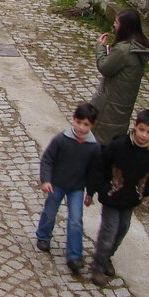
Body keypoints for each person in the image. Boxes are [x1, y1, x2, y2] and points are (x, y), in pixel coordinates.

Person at [89, 109, 149, 286]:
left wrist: (144, 192)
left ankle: (107, 257)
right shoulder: (119, 145)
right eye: (142, 130)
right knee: (109, 231)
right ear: (135, 127)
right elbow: (100, 165)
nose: (144, 135)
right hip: (112, 197)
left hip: (130, 199)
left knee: (122, 228)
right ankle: (98, 266)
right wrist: (102, 188)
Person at [35, 102, 102, 275]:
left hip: (77, 188)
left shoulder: (93, 147)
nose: (80, 127)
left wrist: (91, 192)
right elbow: (47, 159)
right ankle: (43, 236)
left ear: (92, 125)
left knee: (75, 220)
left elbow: (94, 171)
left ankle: (74, 256)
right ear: (73, 120)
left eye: (85, 124)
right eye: (78, 122)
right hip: (57, 183)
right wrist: (46, 180)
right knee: (50, 211)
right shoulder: (61, 139)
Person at [91, 9, 149, 145]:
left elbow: (105, 67)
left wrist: (100, 48)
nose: (114, 25)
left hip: (109, 104)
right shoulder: (140, 45)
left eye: (116, 22)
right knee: (114, 139)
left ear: (125, 26)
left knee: (99, 139)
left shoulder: (124, 50)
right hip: (123, 105)